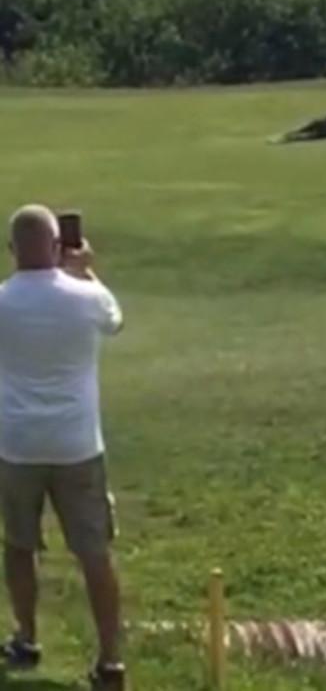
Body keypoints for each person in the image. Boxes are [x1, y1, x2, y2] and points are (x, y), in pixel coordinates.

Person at [0, 204, 125, 690]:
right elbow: (114, 320)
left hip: (16, 444)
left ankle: (26, 637)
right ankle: (110, 658)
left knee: (19, 545)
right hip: (77, 443)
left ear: (12, 251)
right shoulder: (86, 297)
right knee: (94, 552)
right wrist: (86, 270)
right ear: (58, 246)